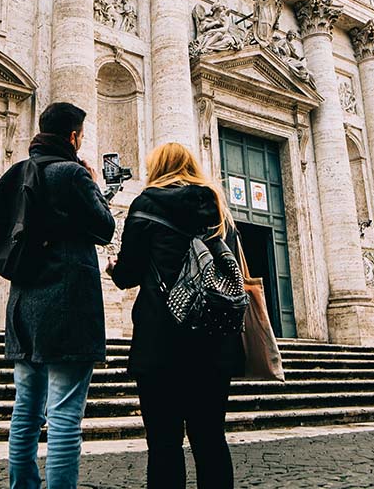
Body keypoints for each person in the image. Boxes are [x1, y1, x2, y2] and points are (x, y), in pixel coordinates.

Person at [107, 142, 244, 489]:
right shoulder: (218, 208)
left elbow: (129, 274)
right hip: (215, 339)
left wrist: (113, 268)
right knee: (211, 439)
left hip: (161, 340)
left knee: (164, 444)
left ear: (158, 168)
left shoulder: (146, 203)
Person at [6, 102, 115, 489]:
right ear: (72, 136)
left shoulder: (16, 173)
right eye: (81, 135)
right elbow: (104, 228)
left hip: (23, 306)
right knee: (66, 415)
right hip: (67, 306)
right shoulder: (71, 174)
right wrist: (95, 186)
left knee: (26, 411)